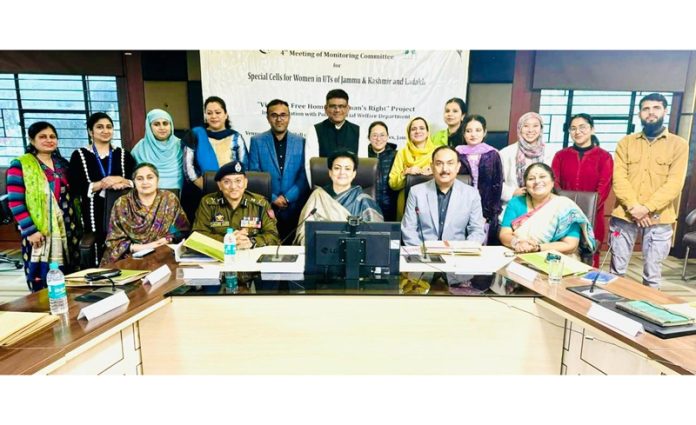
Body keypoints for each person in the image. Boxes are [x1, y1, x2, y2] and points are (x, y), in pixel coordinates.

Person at [610, 93, 689, 289]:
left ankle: (648, 314)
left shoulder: (679, 145)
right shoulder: (626, 142)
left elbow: (674, 183)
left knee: (652, 276)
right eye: (646, 109)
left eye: (656, 108)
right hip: (625, 214)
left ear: (664, 111)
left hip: (659, 217)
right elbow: (619, 178)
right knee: (616, 272)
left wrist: (646, 208)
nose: (651, 113)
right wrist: (634, 207)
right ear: (640, 113)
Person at [6, 122, 80, 291]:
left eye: (52, 137)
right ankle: (43, 307)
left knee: (70, 270)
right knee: (43, 275)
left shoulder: (62, 164)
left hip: (69, 226)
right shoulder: (21, 165)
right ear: (32, 140)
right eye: (43, 137)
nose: (49, 140)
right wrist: (30, 230)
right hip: (40, 231)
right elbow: (15, 201)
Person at [69, 112, 136, 265]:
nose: (105, 131)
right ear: (90, 131)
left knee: (125, 244)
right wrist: (102, 183)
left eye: (109, 127)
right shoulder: (79, 155)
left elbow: (136, 180)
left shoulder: (123, 154)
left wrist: (120, 180)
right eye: (100, 127)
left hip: (123, 210)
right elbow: (75, 186)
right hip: (93, 211)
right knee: (97, 246)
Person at [551, 113, 613, 267]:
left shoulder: (604, 157)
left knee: (590, 255)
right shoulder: (560, 156)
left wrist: (585, 212)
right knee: (562, 253)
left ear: (592, 130)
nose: (577, 131)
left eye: (582, 127)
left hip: (593, 216)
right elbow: (555, 184)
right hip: (564, 216)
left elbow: (603, 188)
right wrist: (566, 211)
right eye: (573, 128)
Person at [100, 163, 190, 265]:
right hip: (130, 255)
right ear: (134, 181)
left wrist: (167, 239)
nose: (145, 182)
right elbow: (113, 240)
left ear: (157, 180)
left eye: (150, 177)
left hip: (162, 252)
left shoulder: (169, 199)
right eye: (140, 178)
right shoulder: (122, 203)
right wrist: (142, 247)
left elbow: (182, 230)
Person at [499, 163, 595, 257]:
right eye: (531, 179)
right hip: (520, 255)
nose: (537, 181)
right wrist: (517, 243)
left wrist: (538, 248)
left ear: (553, 182)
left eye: (542, 177)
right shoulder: (516, 202)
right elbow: (504, 234)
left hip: (556, 259)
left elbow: (570, 245)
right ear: (525, 185)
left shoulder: (565, 207)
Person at [249, 99, 310, 243]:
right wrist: (273, 197)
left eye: (283, 115)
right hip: (267, 206)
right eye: (274, 115)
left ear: (289, 117)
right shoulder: (257, 141)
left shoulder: (301, 141)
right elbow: (254, 173)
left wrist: (288, 197)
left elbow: (304, 174)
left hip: (295, 207)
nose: (279, 119)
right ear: (268, 117)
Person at [295, 150, 383, 245]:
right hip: (322, 250)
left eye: (347, 169)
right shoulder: (318, 196)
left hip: (353, 252)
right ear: (330, 172)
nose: (342, 172)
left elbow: (376, 237)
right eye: (337, 168)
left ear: (354, 174)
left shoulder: (364, 201)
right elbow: (304, 231)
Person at [401, 146, 486, 246]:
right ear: (432, 167)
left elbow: (477, 231)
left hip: (457, 254)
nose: (445, 169)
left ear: (458, 167)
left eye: (450, 163)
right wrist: (422, 253)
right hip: (423, 253)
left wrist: (463, 251)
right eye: (439, 163)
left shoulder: (471, 194)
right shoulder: (416, 192)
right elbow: (408, 229)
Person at [191, 160, 279, 247]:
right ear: (219, 185)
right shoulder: (207, 203)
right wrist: (226, 240)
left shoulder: (261, 204)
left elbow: (273, 236)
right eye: (227, 182)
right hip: (221, 256)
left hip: (251, 256)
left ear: (246, 183)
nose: (233, 187)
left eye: (238, 181)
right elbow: (197, 235)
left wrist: (252, 242)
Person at [455, 114, 503, 245]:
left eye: (478, 130)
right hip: (461, 205)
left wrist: (488, 214)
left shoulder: (493, 154)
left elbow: (497, 185)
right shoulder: (457, 153)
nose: (473, 134)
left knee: (480, 243)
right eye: (468, 131)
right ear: (463, 133)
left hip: (485, 208)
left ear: (485, 132)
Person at [182, 96, 248, 190]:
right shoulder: (196, 135)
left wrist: (231, 187)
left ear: (226, 114)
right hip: (201, 190)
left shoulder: (236, 137)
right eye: (209, 113)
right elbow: (188, 167)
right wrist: (206, 187)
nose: (213, 116)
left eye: (218, 112)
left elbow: (244, 166)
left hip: (232, 190)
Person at [304, 89, 367, 185]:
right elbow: (311, 166)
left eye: (341, 106)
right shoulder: (314, 130)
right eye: (333, 106)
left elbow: (362, 166)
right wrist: (317, 189)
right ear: (326, 109)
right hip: (323, 189)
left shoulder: (359, 131)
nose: (337, 110)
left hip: (351, 191)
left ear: (348, 109)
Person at [499, 112, 555, 219]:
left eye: (535, 126)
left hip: (544, 205)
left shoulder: (551, 152)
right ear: (520, 128)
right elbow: (496, 183)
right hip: (515, 205)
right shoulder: (505, 153)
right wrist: (512, 192)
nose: (530, 130)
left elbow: (554, 181)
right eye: (526, 126)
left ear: (541, 128)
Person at [388, 117, 436, 220]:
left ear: (428, 132)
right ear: (409, 133)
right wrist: (407, 172)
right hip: (406, 200)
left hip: (432, 200)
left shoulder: (437, 152)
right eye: (413, 129)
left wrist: (434, 170)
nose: (418, 131)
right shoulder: (402, 153)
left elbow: (448, 176)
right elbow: (393, 183)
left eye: (422, 128)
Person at [131, 109, 183, 192]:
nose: (162, 128)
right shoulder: (140, 148)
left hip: (179, 196)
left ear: (171, 125)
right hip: (146, 197)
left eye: (165, 123)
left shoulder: (181, 145)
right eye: (156, 124)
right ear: (149, 127)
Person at [366, 121, 398, 221]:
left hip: (391, 209)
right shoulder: (362, 155)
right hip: (367, 208)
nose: (378, 139)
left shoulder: (397, 155)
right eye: (374, 135)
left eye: (382, 135)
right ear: (369, 137)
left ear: (387, 137)